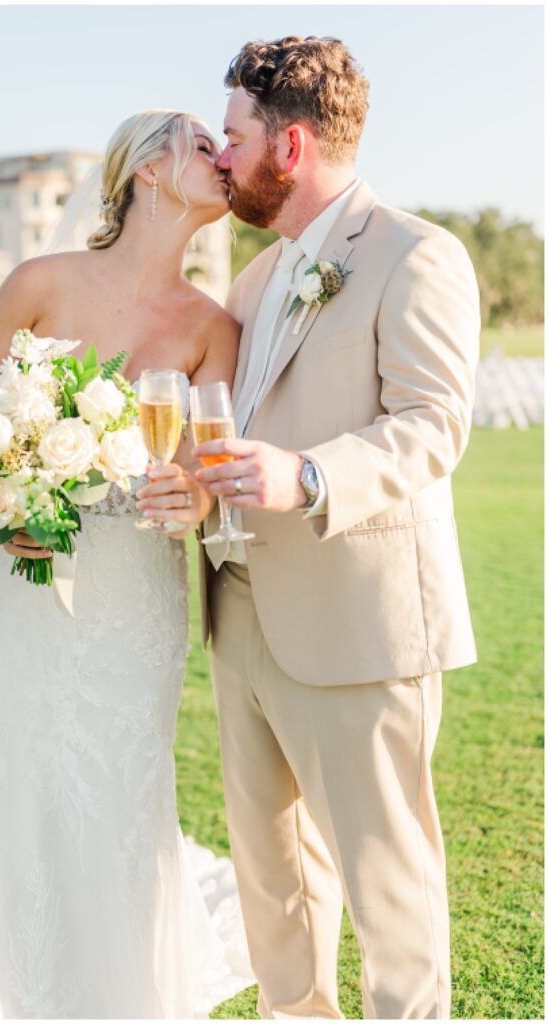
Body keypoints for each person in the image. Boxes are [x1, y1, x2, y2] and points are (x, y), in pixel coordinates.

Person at [0, 110, 254, 1019]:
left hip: (136, 595)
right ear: (148, 169)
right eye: (206, 145)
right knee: (7, 765)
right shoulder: (38, 283)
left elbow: (212, 473)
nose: (225, 159)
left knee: (118, 777)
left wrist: (195, 499)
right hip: (26, 583)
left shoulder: (214, 325)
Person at [155, 35, 479, 1019]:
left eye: (236, 135)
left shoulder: (416, 252)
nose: (222, 155)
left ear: (288, 149)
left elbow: (433, 424)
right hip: (242, 614)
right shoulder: (253, 285)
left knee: (388, 888)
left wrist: (307, 474)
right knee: (275, 885)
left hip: (356, 619)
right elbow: (233, 433)